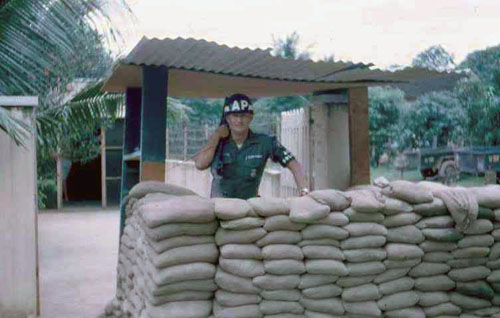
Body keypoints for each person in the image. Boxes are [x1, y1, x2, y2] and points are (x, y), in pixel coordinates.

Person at [193, 93, 309, 199]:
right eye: (235, 115)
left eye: (244, 115)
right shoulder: (217, 142)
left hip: (249, 208)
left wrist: (304, 191)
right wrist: (217, 135)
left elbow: (294, 165)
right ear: (228, 119)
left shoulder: (264, 142)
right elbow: (200, 164)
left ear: (251, 117)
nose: (239, 120)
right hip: (220, 207)